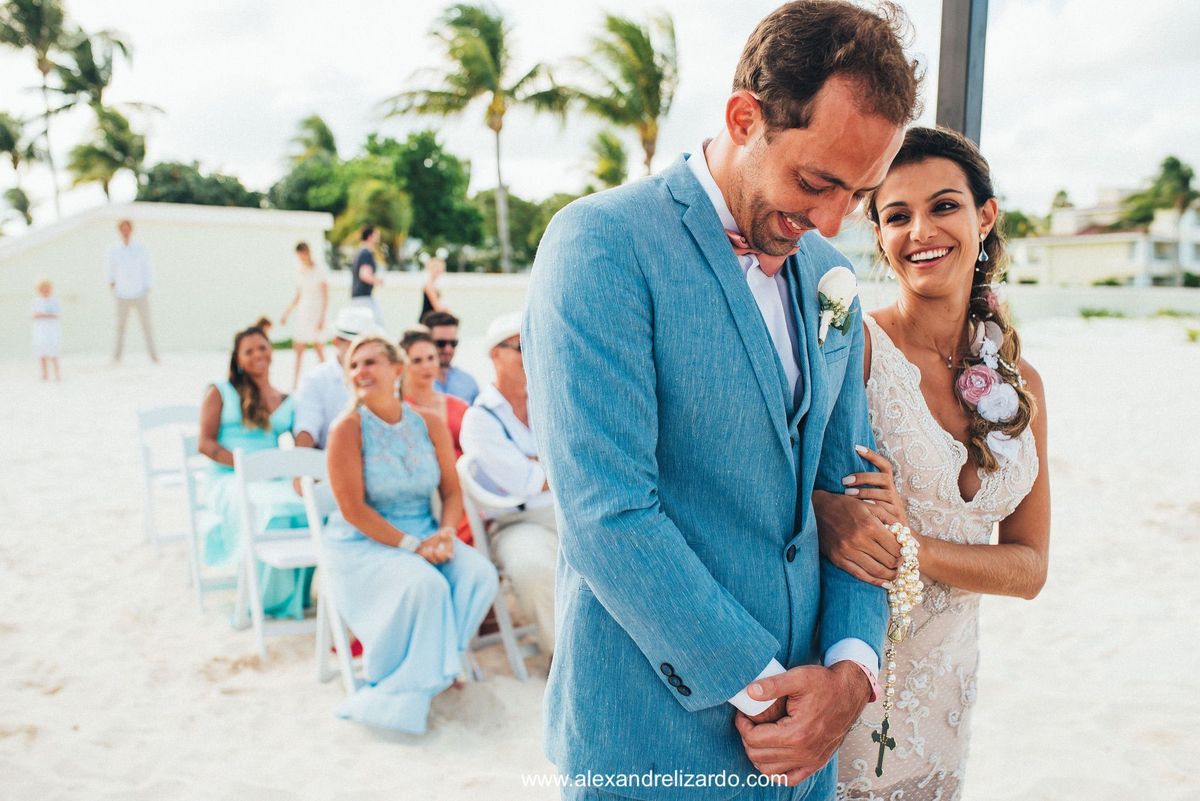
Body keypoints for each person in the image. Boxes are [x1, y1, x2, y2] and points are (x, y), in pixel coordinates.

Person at [523, 2, 921, 798]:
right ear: (745, 117)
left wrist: (849, 673)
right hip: (649, 742)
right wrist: (768, 690)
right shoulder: (600, 244)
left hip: (808, 753)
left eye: (859, 193)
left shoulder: (829, 280)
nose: (831, 220)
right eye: (816, 181)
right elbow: (608, 513)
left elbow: (853, 493)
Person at [814, 127, 1049, 801]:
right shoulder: (856, 349)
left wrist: (910, 544)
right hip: (859, 677)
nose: (922, 230)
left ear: (985, 216)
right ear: (881, 235)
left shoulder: (1022, 380)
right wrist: (834, 513)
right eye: (897, 214)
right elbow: (799, 492)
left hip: (949, 690)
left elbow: (1029, 567)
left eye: (944, 206)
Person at [323, 335, 499, 733]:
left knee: (479, 575)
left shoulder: (429, 422)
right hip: (365, 543)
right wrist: (411, 547)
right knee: (426, 586)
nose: (360, 372)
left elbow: (452, 491)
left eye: (370, 362)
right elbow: (353, 510)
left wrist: (446, 533)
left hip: (426, 533)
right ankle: (407, 683)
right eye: (353, 366)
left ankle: (438, 665)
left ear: (395, 369)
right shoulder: (346, 429)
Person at [460, 312, 558, 655]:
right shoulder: (478, 419)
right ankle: (565, 658)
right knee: (533, 570)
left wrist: (539, 465)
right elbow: (526, 481)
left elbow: (581, 458)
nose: (530, 355)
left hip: (566, 512)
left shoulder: (550, 400)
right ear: (494, 355)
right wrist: (547, 465)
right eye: (520, 347)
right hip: (517, 522)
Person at [198, 325, 312, 620]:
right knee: (266, 507)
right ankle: (264, 598)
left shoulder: (287, 399)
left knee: (303, 507)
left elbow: (303, 438)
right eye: (249, 351)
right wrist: (245, 467)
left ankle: (293, 597)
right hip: (229, 476)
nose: (257, 355)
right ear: (238, 358)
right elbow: (205, 444)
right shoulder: (220, 391)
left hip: (273, 477)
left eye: (262, 347)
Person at [293, 306, 380, 450]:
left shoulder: (383, 374)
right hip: (329, 465)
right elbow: (307, 427)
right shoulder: (316, 379)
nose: (362, 351)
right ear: (337, 342)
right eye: (355, 344)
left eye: (367, 344)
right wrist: (300, 466)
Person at [107, 218, 159, 363]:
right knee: (119, 327)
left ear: (131, 229)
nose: (125, 231)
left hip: (140, 292)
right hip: (121, 293)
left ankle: (153, 356)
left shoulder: (141, 248)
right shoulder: (113, 249)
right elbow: (110, 268)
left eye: (127, 228)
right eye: (122, 228)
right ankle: (116, 357)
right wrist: (112, 284)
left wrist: (147, 286)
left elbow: (147, 267)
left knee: (147, 325)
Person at [280, 241, 329, 388]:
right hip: (304, 311)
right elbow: (298, 295)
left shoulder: (319, 270)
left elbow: (326, 295)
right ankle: (295, 383)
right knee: (299, 348)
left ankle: (328, 378)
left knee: (318, 347)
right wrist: (287, 313)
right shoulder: (300, 270)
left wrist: (322, 318)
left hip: (316, 310)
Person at [420, 310, 479, 404]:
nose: (448, 349)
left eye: (453, 343)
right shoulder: (413, 382)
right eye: (441, 343)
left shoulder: (469, 384)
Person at [350, 225, 385, 326]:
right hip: (363, 298)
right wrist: (378, 281)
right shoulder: (366, 254)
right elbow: (364, 275)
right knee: (377, 325)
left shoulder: (360, 252)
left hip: (359, 297)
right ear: (370, 236)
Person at [32, 279, 61, 381]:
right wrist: (44, 315)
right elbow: (34, 315)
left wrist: (44, 315)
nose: (45, 291)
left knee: (54, 352)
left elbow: (56, 315)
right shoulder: (37, 301)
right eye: (43, 289)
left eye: (47, 288)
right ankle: (45, 374)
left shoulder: (54, 301)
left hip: (52, 330)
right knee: (42, 352)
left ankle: (57, 373)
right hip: (41, 330)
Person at [419, 254, 449, 322]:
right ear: (430, 268)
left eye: (441, 268)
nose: (440, 270)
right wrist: (448, 311)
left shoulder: (432, 285)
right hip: (427, 320)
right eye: (437, 268)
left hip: (430, 319)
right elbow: (437, 308)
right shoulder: (429, 285)